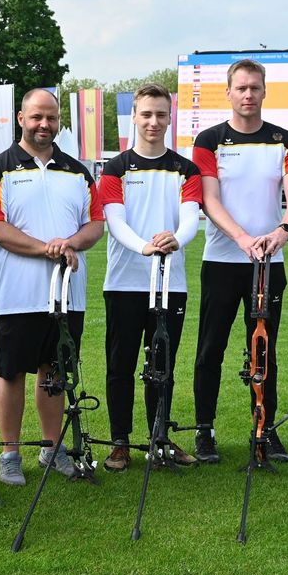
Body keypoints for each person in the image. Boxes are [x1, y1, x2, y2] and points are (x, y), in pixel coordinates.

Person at [0, 88, 104, 485]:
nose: (44, 125)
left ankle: (53, 448)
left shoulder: (78, 171)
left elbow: (95, 224)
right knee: (11, 372)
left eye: (51, 118)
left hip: (68, 293)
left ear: (59, 120)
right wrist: (46, 249)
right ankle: (10, 453)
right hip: (17, 293)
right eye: (36, 117)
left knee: (55, 372)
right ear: (21, 119)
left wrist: (72, 244)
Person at [190, 59, 288, 465]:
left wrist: (282, 231)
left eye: (255, 88)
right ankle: (204, 431)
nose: (248, 95)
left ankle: (265, 429)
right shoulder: (210, 140)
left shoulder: (285, 140)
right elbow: (209, 199)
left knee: (264, 350)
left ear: (263, 91)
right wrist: (241, 238)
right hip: (223, 261)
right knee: (210, 349)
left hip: (268, 264)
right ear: (228, 92)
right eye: (241, 88)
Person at [97, 84, 202, 471]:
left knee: (163, 365)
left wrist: (175, 238)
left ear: (170, 117)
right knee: (120, 365)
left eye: (160, 114)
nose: (153, 122)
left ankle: (160, 436)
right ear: (134, 118)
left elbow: (190, 217)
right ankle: (120, 442)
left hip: (170, 284)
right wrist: (143, 246)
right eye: (146, 114)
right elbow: (115, 221)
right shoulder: (116, 168)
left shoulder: (185, 169)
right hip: (125, 283)